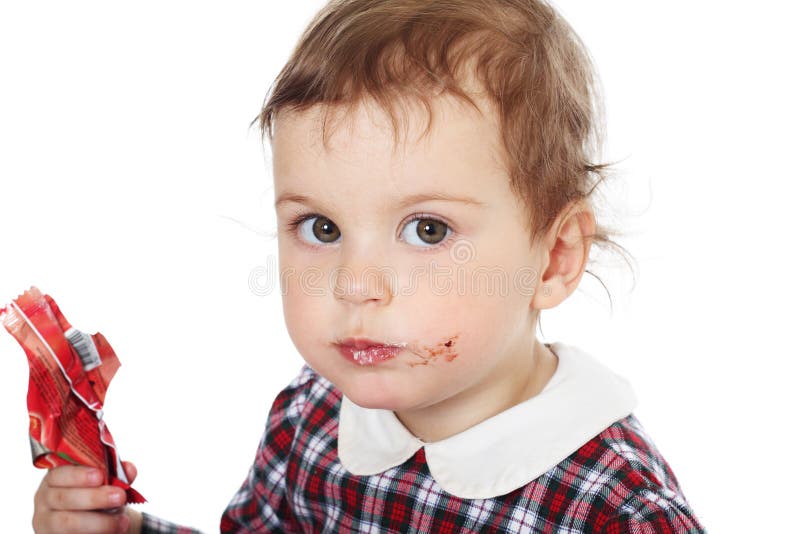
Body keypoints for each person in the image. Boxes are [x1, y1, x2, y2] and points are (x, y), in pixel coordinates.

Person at [31, 0, 706, 532]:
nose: (355, 284)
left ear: (554, 259)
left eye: (427, 229)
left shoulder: (615, 509)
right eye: (321, 228)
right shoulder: (312, 416)